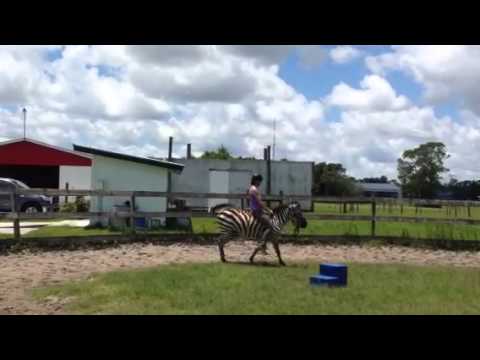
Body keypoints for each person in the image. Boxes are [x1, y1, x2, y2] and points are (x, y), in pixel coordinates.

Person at [247, 174, 273, 254]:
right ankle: (262, 245)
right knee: (270, 225)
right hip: (257, 212)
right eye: (259, 181)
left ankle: (263, 245)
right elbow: (260, 202)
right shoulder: (254, 189)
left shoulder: (252, 188)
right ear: (255, 180)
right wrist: (268, 210)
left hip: (258, 210)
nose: (260, 182)